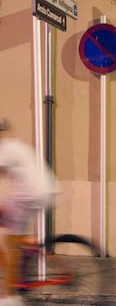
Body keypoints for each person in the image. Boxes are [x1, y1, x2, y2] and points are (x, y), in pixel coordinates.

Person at [0, 118, 57, 305]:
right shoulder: (14, 145)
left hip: (29, 194)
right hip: (43, 190)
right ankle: (30, 244)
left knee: (10, 241)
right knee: (12, 229)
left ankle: (10, 297)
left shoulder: (5, 149)